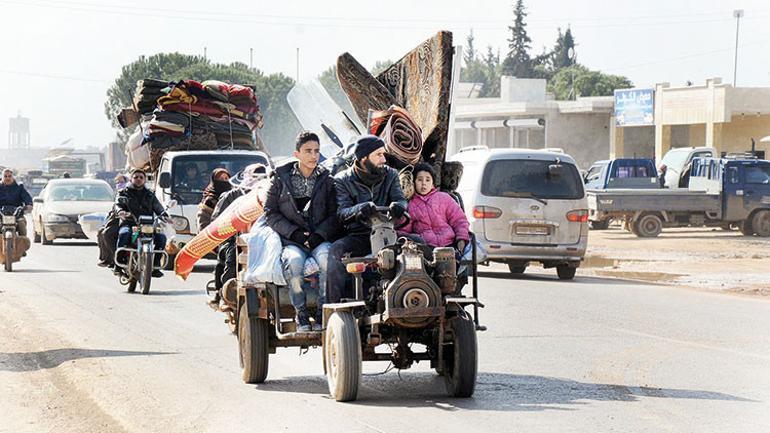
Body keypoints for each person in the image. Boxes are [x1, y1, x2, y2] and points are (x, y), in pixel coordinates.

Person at [264, 132, 339, 332]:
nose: (313, 156)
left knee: (327, 260)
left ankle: (323, 312)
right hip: (292, 241)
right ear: (296, 153)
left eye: (316, 151)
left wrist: (319, 235)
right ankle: (301, 314)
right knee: (294, 263)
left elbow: (334, 215)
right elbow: (270, 213)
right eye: (308, 151)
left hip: (319, 239)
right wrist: (294, 233)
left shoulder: (327, 179)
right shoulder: (280, 179)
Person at [327, 135, 407, 304]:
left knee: (419, 244)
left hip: (388, 233)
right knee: (336, 250)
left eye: (383, 154)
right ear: (364, 158)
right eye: (378, 154)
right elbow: (342, 213)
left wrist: (400, 206)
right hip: (359, 236)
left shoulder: (391, 174)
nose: (384, 159)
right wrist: (360, 209)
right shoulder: (342, 180)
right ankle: (333, 309)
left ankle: (421, 296)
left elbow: (400, 200)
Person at [208, 163, 268, 307]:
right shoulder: (232, 196)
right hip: (233, 239)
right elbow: (217, 220)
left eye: (262, 178)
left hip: (262, 238)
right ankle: (223, 293)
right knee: (231, 257)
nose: (258, 182)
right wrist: (234, 229)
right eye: (255, 177)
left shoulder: (268, 194)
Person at [398, 163, 469, 252]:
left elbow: (460, 220)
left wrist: (461, 239)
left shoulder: (444, 198)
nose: (424, 183)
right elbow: (403, 231)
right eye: (419, 180)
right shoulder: (410, 205)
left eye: (428, 180)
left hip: (450, 245)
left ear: (432, 183)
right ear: (413, 182)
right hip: (425, 249)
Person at [115, 168, 168, 277]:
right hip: (129, 223)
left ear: (145, 180)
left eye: (141, 177)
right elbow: (118, 204)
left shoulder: (150, 195)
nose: (138, 179)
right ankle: (119, 264)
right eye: (136, 177)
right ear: (131, 179)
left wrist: (165, 216)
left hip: (147, 225)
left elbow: (158, 208)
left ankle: (156, 265)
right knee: (124, 234)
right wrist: (121, 211)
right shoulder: (124, 193)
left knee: (161, 238)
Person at [0, 168, 32, 236]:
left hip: (17, 214)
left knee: (21, 223)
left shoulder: (19, 187)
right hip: (1, 214)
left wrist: (29, 204)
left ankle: (23, 242)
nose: (7, 178)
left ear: (13, 177)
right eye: (5, 176)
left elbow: (26, 197)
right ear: (2, 177)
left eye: (9, 176)